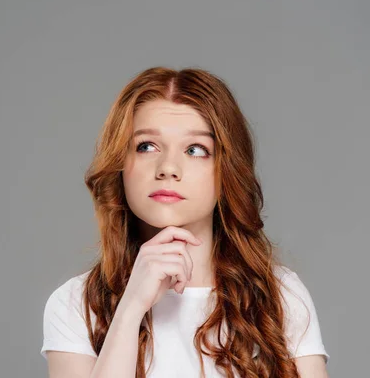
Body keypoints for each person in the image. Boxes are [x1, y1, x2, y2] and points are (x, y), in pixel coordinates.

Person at [40, 67, 330, 378]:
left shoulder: (280, 295)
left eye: (196, 150)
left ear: (227, 170)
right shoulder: (75, 304)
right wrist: (130, 309)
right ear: (120, 164)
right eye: (146, 146)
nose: (168, 167)